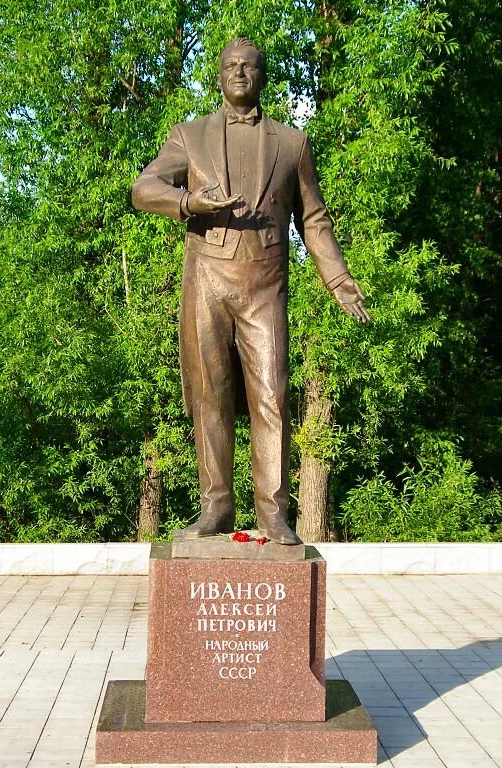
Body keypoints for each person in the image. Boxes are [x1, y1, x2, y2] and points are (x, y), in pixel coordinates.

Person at [132, 38, 369, 544]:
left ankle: (273, 513)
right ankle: (216, 506)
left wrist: (338, 278)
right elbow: (143, 189)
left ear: (262, 77)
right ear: (219, 77)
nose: (240, 73)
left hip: (265, 285)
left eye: (250, 67)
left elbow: (313, 217)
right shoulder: (189, 137)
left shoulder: (291, 143)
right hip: (208, 281)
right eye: (230, 66)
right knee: (209, 396)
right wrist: (189, 202)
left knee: (272, 396)